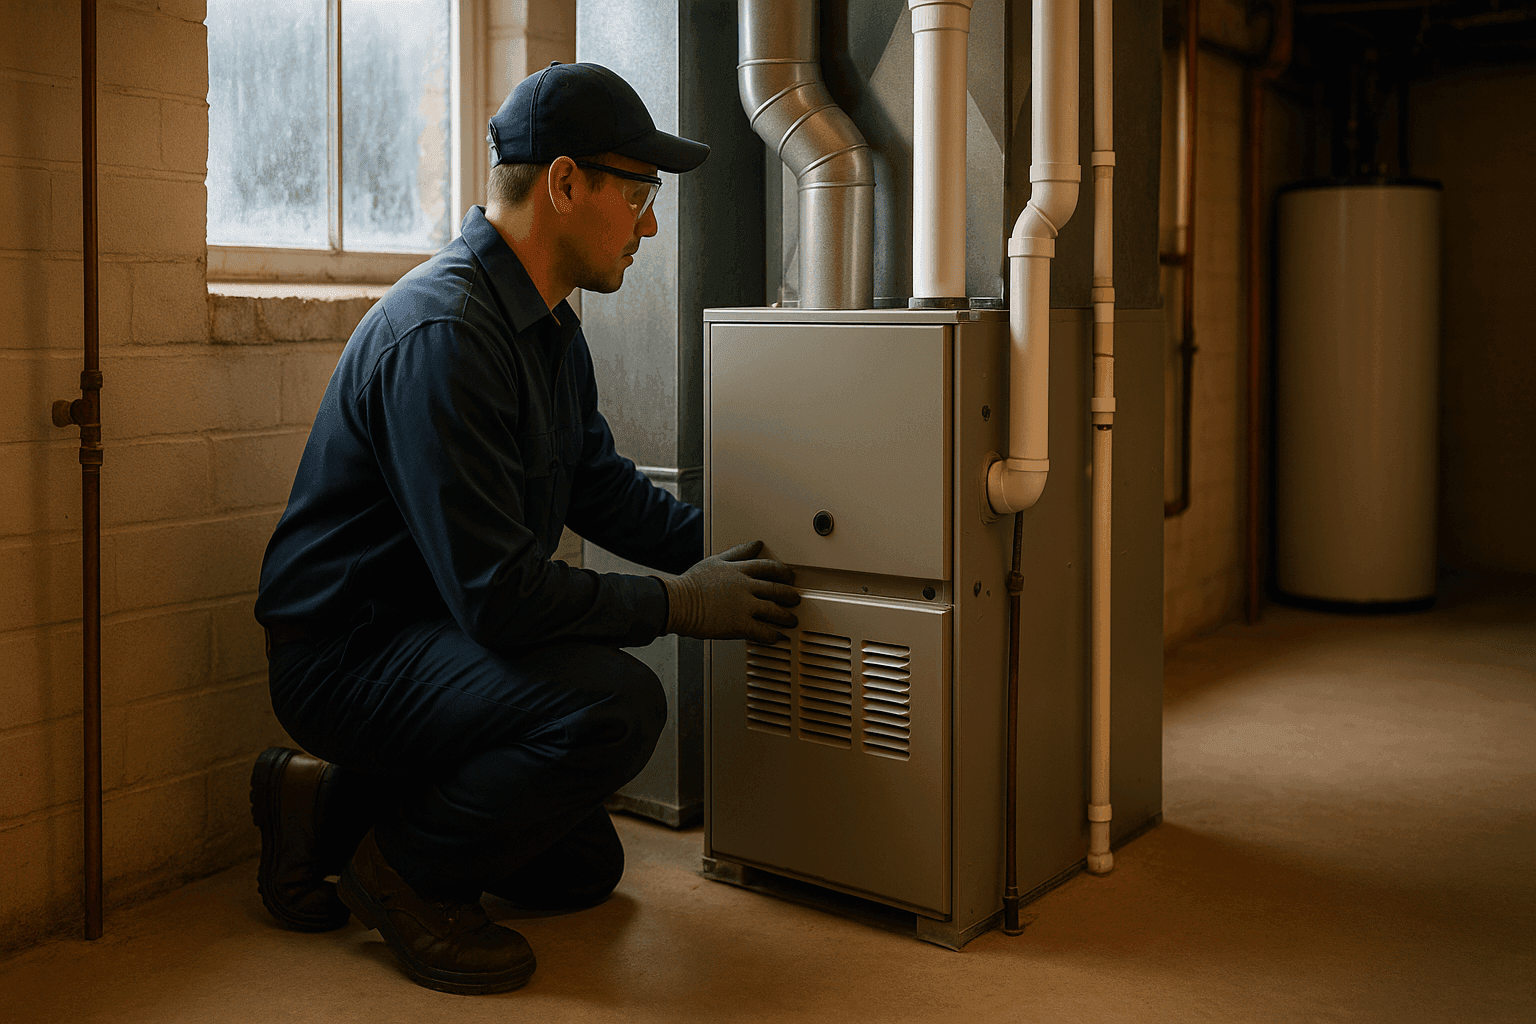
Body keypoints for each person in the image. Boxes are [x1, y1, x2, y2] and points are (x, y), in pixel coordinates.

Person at [248, 61, 800, 996]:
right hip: (349, 654)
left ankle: (323, 806)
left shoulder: (544, 326)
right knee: (616, 708)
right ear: (566, 183)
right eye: (639, 195)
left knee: (581, 868)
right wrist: (679, 605)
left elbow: (598, 487)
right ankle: (405, 878)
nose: (650, 225)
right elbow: (499, 596)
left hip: (437, 635)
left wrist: (724, 546)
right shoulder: (445, 335)